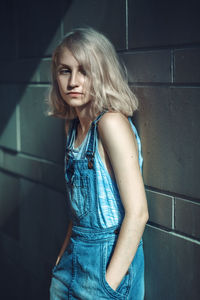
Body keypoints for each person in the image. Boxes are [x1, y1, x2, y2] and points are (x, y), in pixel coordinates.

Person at [48, 27, 149, 300]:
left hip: (105, 264)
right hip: (70, 264)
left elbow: (138, 213)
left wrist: (107, 286)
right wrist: (60, 260)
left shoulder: (110, 123)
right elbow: (77, 210)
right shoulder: (71, 127)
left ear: (102, 73)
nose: (73, 82)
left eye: (84, 70)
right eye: (64, 70)